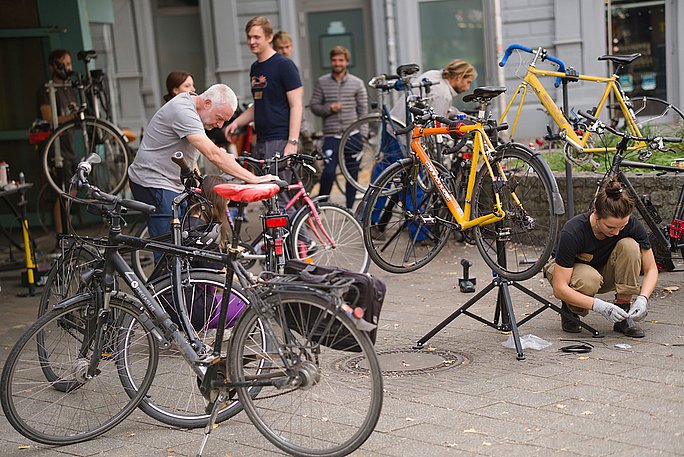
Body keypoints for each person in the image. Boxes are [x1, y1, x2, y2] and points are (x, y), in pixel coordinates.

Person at [128, 83, 277, 240]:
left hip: (171, 181)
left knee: (186, 239)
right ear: (207, 103)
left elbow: (190, 152)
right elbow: (213, 154)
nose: (219, 125)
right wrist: (254, 179)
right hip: (153, 182)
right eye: (219, 118)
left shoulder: (196, 108)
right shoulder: (184, 112)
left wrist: (198, 180)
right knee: (170, 248)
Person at [370, 59, 477, 239]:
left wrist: (456, 113)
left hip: (394, 126)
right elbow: (436, 126)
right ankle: (419, 235)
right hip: (406, 135)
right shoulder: (444, 94)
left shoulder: (434, 75)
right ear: (459, 77)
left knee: (385, 177)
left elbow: (431, 107)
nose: (468, 86)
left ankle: (370, 219)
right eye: (468, 81)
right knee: (415, 184)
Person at [545, 178, 657, 337]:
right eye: (610, 227)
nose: (617, 232)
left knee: (631, 246)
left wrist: (643, 299)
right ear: (596, 215)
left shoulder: (632, 225)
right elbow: (559, 288)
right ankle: (570, 309)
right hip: (571, 274)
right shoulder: (573, 231)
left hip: (604, 271)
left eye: (622, 226)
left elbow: (651, 268)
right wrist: (600, 306)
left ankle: (624, 314)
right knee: (589, 279)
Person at [226, 16, 303, 208]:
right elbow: (258, 104)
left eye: (257, 37)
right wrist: (237, 123)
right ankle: (281, 238)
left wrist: (292, 142)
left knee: (280, 198)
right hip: (261, 140)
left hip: (280, 139)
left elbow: (297, 105)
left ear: (269, 37)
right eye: (249, 37)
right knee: (267, 198)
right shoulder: (256, 68)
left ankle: (303, 239)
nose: (252, 42)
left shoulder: (284, 65)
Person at [309, 45, 368, 209]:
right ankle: (321, 207)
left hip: (353, 135)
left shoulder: (357, 83)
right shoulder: (322, 82)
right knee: (327, 172)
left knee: (352, 174)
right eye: (334, 60)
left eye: (341, 60)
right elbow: (314, 106)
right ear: (331, 61)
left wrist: (362, 135)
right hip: (331, 135)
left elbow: (363, 110)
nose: (337, 63)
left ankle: (350, 209)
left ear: (346, 62)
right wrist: (329, 108)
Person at [36, 48, 78, 239]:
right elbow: (48, 118)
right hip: (54, 148)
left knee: (72, 188)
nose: (67, 68)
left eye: (69, 64)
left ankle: (68, 231)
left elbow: (74, 112)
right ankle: (61, 236)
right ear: (53, 66)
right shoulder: (46, 90)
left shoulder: (68, 88)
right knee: (61, 191)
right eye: (63, 64)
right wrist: (72, 116)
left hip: (69, 144)